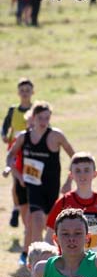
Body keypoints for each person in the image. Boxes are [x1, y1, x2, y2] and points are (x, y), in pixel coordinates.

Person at [5, 101, 74, 262]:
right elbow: (10, 156)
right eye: (40, 118)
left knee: (48, 224)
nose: (44, 122)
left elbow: (75, 157)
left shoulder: (56, 135)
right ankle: (36, 260)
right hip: (33, 186)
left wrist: (69, 181)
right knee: (36, 219)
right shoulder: (24, 137)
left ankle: (49, 255)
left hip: (51, 186)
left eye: (47, 118)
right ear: (33, 117)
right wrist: (18, 175)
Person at [45, 153, 97, 257]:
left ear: (95, 173)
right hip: (69, 262)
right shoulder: (63, 202)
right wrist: (60, 258)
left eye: (86, 170)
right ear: (71, 175)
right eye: (77, 171)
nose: (82, 175)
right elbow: (48, 237)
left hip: (94, 260)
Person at [2, 78, 33, 228]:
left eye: (27, 90)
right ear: (18, 92)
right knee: (16, 180)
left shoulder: (36, 110)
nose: (25, 93)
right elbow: (5, 126)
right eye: (22, 90)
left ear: (32, 92)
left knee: (29, 181)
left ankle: (29, 210)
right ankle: (16, 209)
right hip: (15, 151)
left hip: (31, 151)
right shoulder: (13, 110)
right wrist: (3, 135)